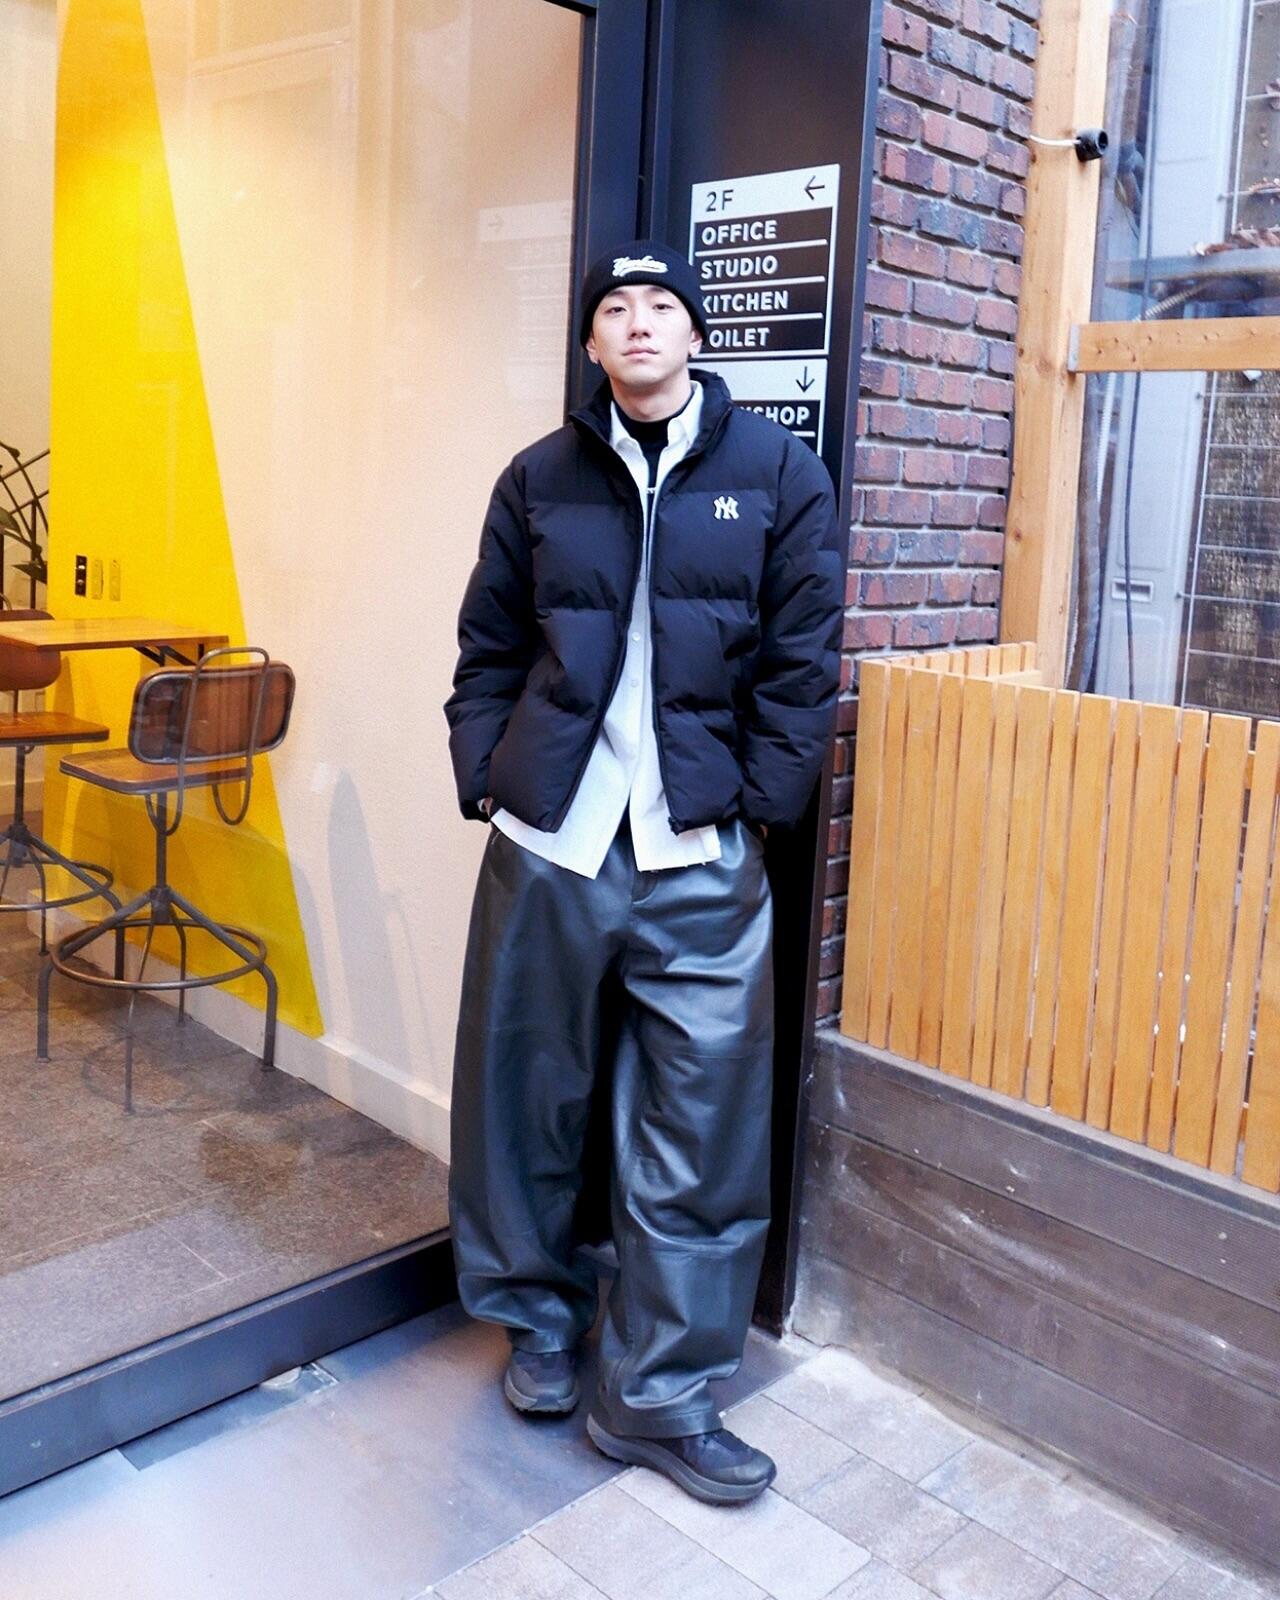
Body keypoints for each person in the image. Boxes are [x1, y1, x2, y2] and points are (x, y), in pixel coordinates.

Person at [443, 239, 842, 1506]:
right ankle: (537, 1322)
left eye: (659, 304)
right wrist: (487, 775)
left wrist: (756, 814)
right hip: (551, 841)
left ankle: (657, 1394)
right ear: (590, 342)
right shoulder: (537, 477)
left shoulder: (777, 475)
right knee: (523, 1099)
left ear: (694, 332)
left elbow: (802, 668)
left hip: (698, 849)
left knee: (703, 1125)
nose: (635, 324)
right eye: (612, 308)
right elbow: (487, 645)